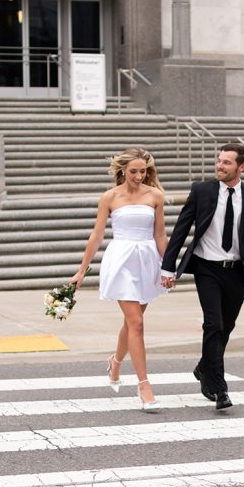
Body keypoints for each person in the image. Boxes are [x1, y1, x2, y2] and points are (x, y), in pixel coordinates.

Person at [161, 142, 244, 410]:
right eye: (219, 160)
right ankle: (219, 389)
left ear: (242, 167)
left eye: (227, 162)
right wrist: (168, 266)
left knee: (226, 328)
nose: (220, 165)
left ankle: (204, 366)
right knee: (213, 325)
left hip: (238, 270)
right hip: (207, 268)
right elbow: (182, 228)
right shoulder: (202, 190)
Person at [70, 147, 167, 411]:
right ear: (123, 170)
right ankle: (144, 385)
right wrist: (82, 270)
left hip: (147, 260)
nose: (138, 176)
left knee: (132, 322)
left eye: (143, 171)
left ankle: (115, 361)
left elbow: (160, 235)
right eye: (133, 171)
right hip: (121, 260)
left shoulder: (155, 195)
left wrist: (168, 268)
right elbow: (97, 235)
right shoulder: (109, 197)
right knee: (136, 322)